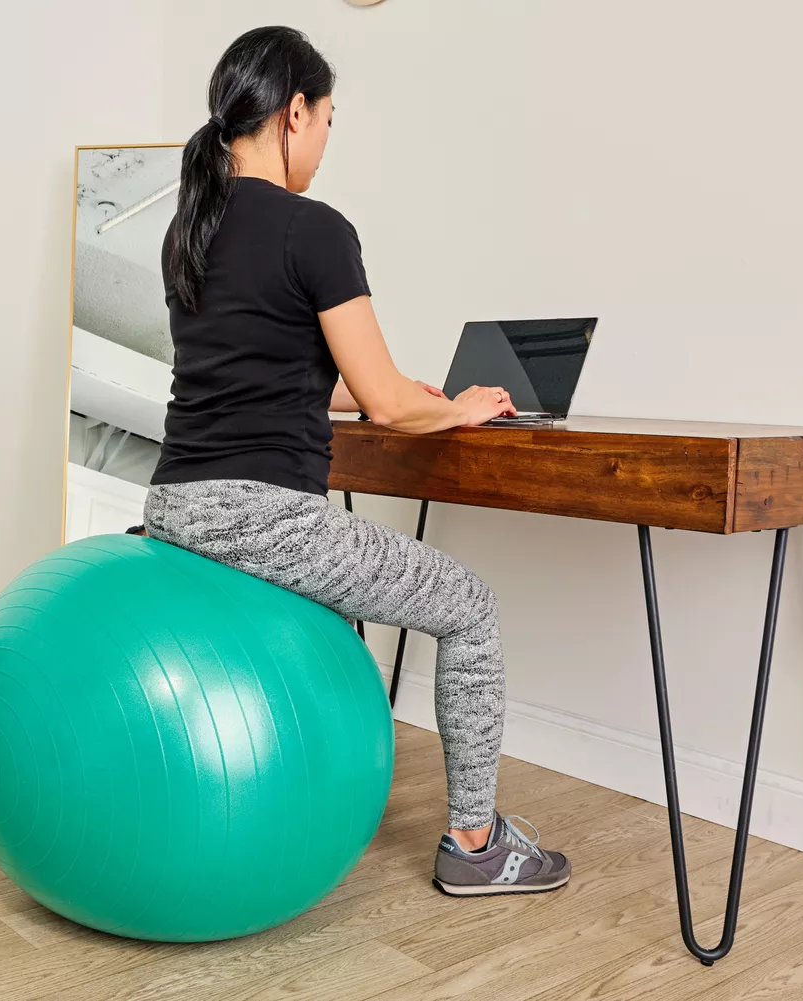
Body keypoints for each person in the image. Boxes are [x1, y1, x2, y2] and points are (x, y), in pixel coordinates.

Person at [143, 26, 569, 897]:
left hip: (175, 508)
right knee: (471, 608)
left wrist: (389, 392)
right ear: (294, 113)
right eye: (329, 120)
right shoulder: (315, 228)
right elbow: (385, 406)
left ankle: (306, 799)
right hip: (266, 520)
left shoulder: (190, 227)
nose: (327, 143)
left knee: (351, 615)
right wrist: (451, 406)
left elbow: (263, 378)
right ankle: (477, 844)